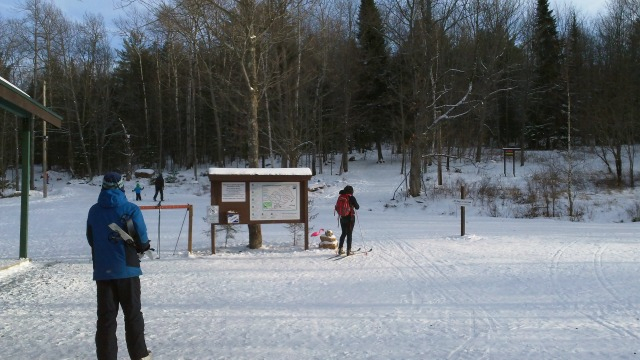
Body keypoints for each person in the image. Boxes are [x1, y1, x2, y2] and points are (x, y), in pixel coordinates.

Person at [86, 172, 152, 360]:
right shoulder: (131, 209)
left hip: (103, 272)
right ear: (122, 187)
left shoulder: (94, 211)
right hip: (128, 269)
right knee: (132, 315)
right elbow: (142, 239)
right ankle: (139, 355)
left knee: (106, 319)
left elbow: (91, 239)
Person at [337, 185, 360, 255]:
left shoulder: (341, 197)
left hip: (342, 217)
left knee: (343, 233)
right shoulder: (351, 197)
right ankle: (348, 250)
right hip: (350, 218)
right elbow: (357, 207)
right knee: (349, 234)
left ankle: (340, 249)